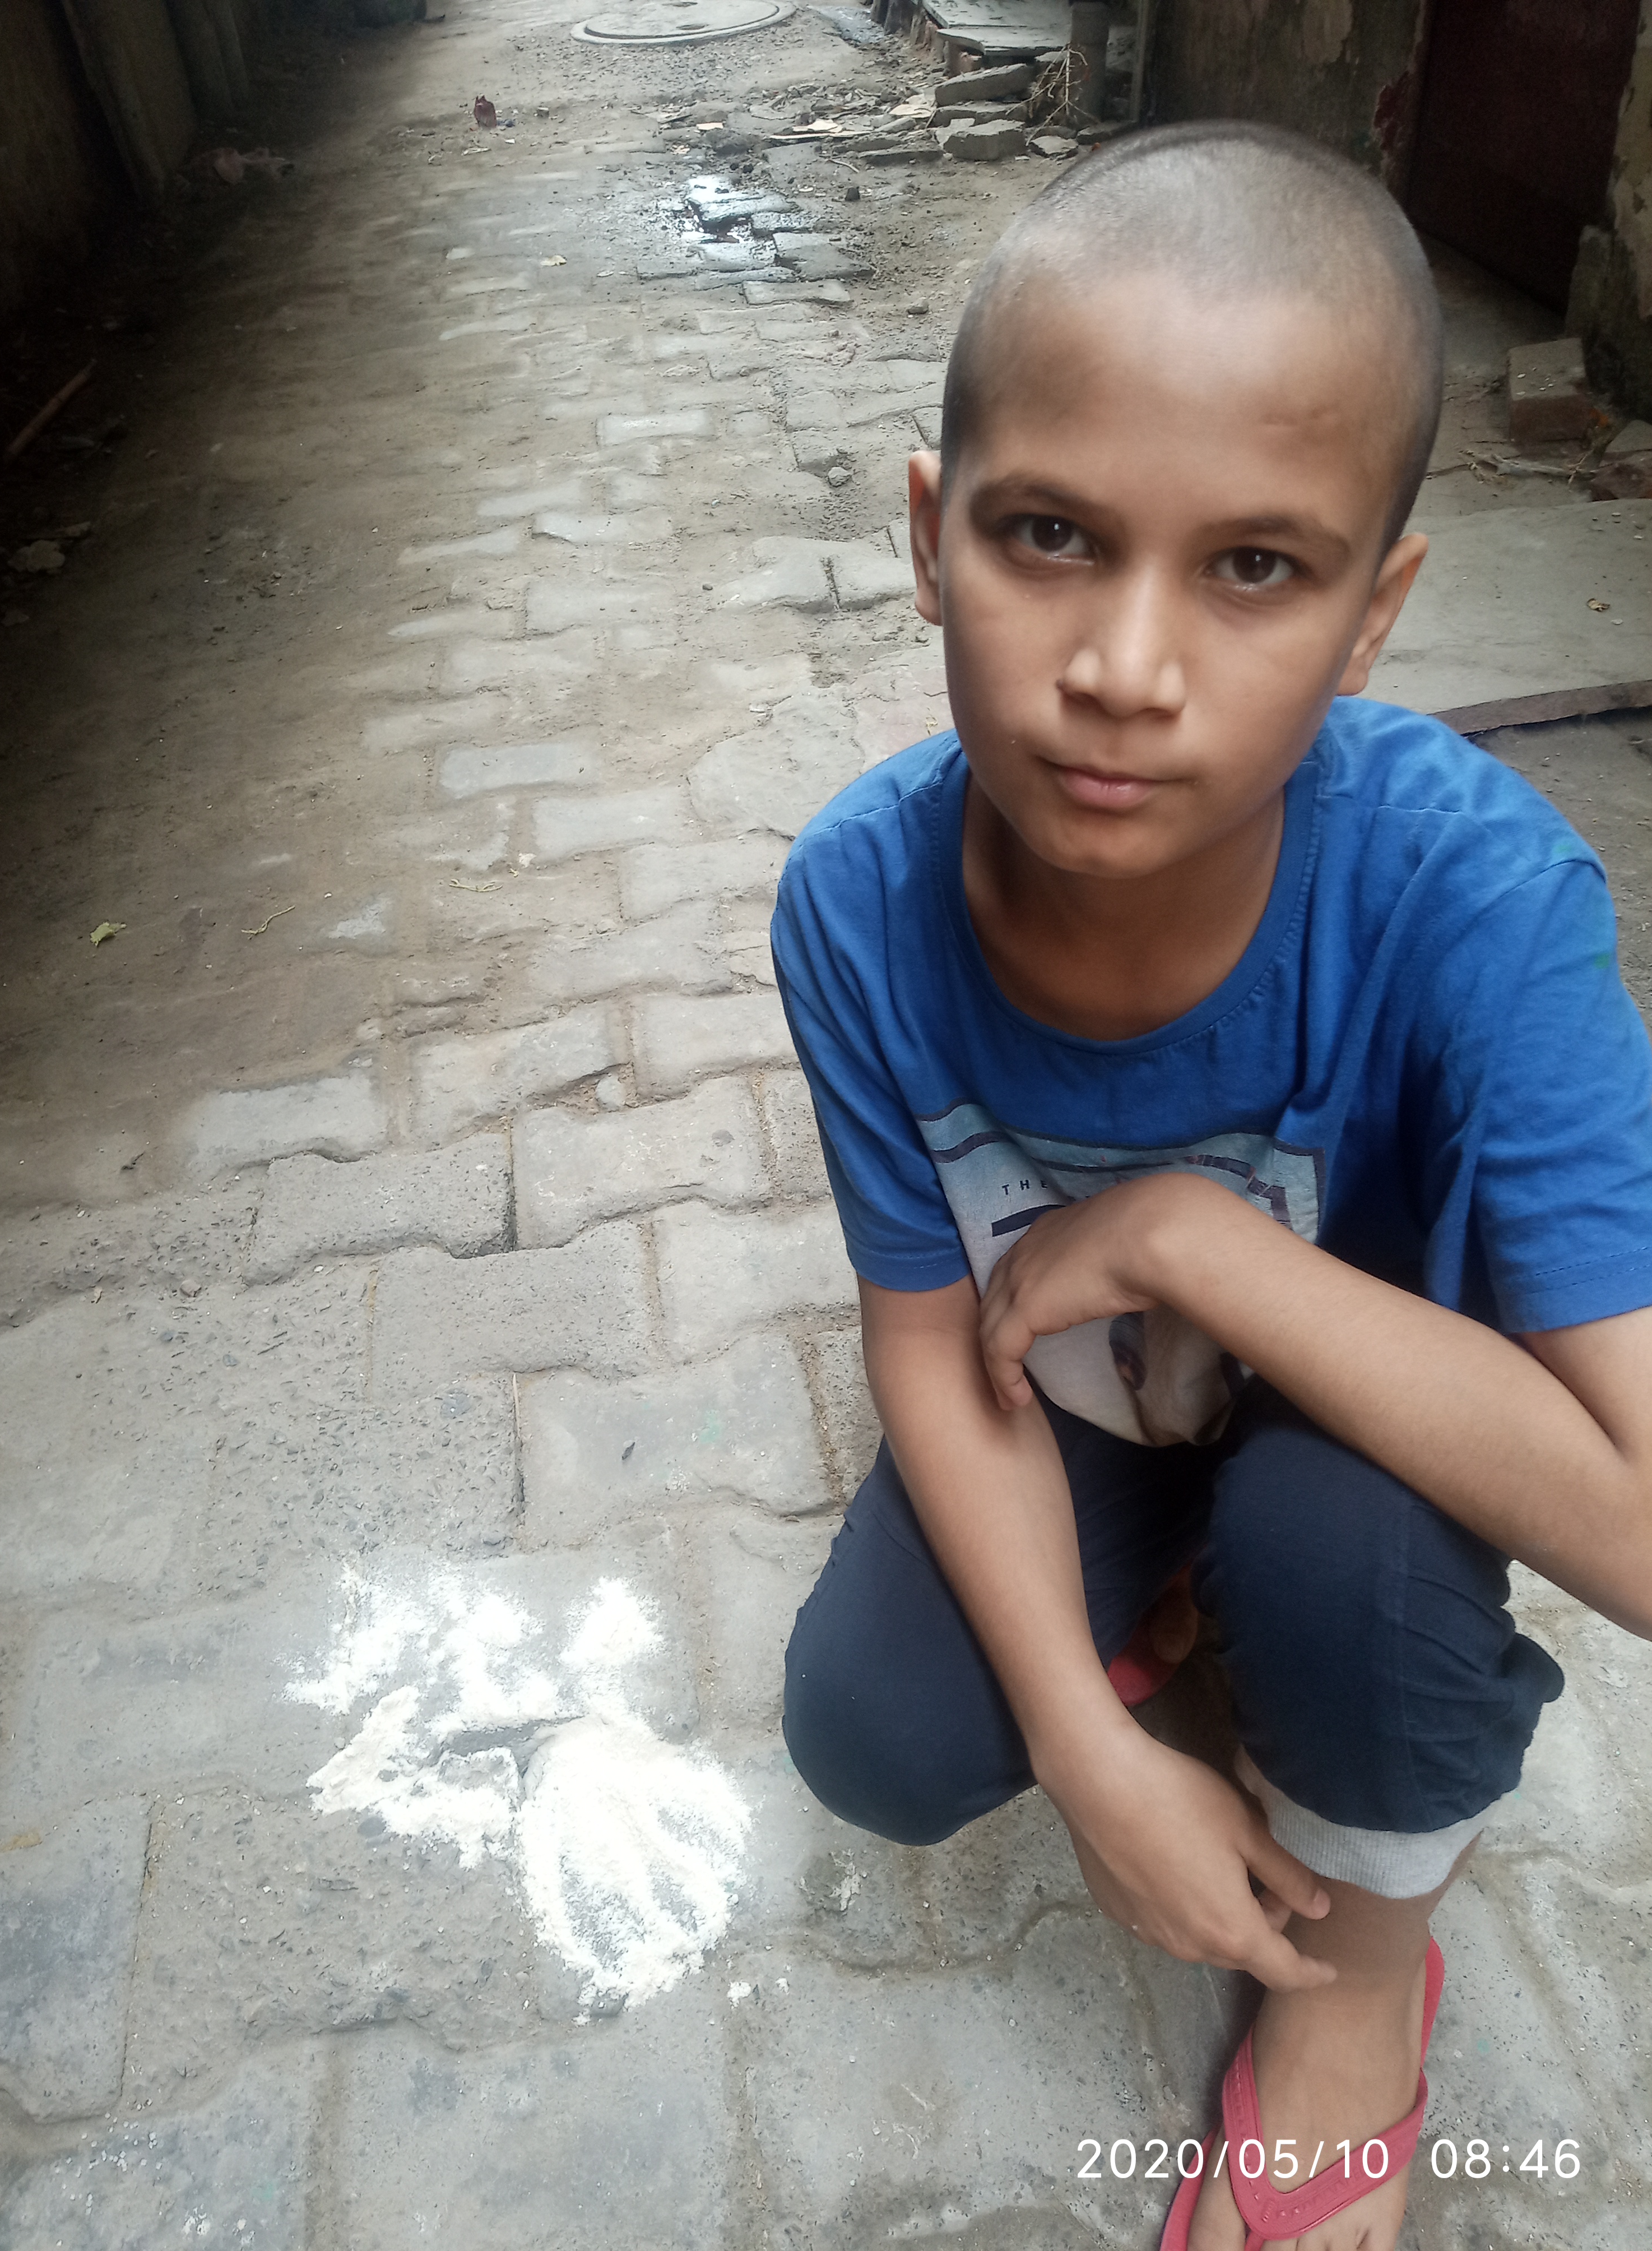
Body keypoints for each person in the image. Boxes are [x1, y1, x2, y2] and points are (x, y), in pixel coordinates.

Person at [769, 121, 1652, 2251]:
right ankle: (1167, 1609)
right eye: (1050, 535)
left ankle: (1357, 1991)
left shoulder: (1482, 904)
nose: (1126, 668)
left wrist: (1192, 1241)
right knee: (879, 1731)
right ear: (929, 534)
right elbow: (929, 1339)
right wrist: (1089, 1759)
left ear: (1374, 615)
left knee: (1338, 1553)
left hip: (1366, 1438)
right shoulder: (857, 906)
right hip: (1079, 1403)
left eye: (1255, 567)